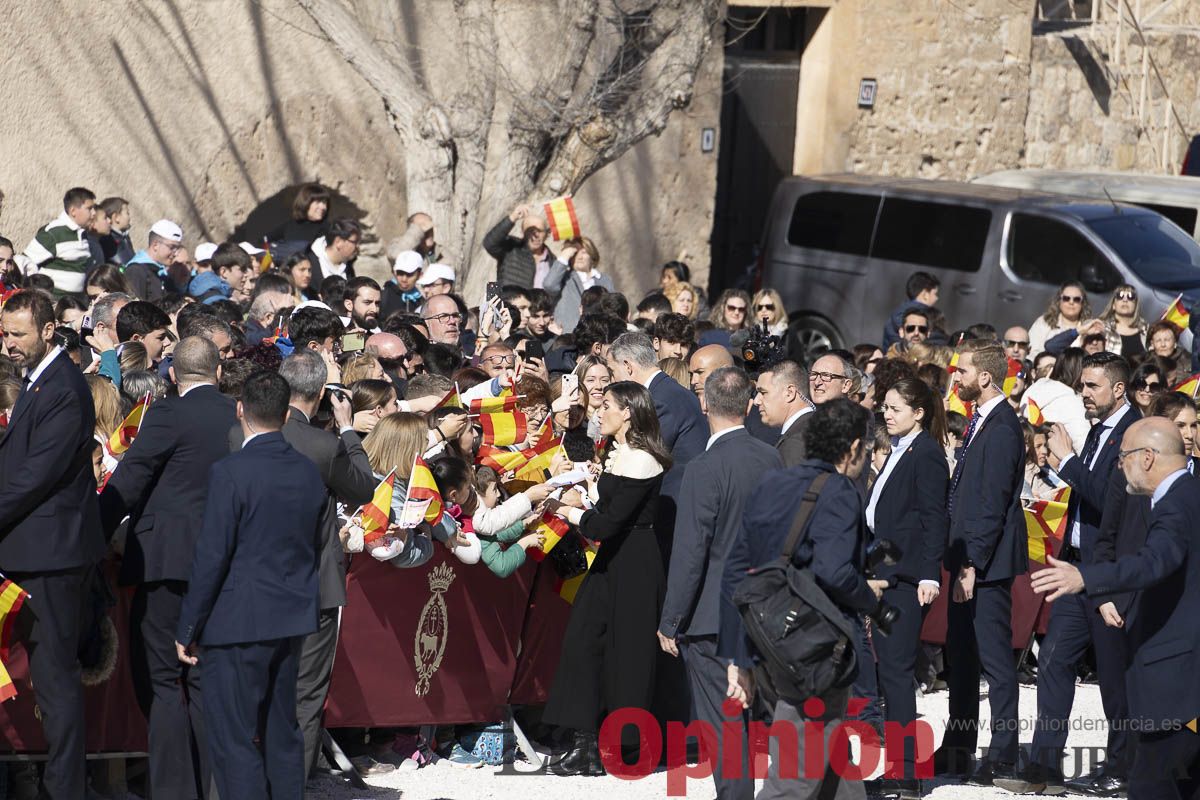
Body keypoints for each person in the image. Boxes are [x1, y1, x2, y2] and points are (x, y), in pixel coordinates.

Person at [720, 398, 883, 800]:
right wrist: (871, 597)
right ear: (854, 448)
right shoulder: (841, 491)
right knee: (794, 778)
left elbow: (736, 572)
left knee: (833, 765)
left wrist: (740, 658)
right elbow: (834, 571)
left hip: (767, 644)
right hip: (813, 651)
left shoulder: (772, 483)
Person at [1030, 418, 1200, 800]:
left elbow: (1154, 561)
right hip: (1185, 685)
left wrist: (1086, 578)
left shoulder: (1174, 507)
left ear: (1147, 458)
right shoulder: (1190, 494)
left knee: (1152, 787)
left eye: (1122, 457)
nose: (1118, 465)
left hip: (1174, 688)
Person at [176, 370, 326, 800]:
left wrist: (188, 627)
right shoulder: (306, 471)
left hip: (237, 620)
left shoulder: (230, 472)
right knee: (282, 730)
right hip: (291, 615)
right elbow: (312, 543)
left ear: (240, 410)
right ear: (284, 414)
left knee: (234, 738)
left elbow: (211, 557)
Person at [99, 337, 236, 799]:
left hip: (167, 562)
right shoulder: (238, 413)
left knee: (160, 680)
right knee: (203, 678)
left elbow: (131, 478)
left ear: (173, 375)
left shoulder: (168, 412)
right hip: (224, 563)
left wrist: (91, 535)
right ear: (218, 372)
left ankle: (175, 792)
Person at [1008, 352, 1140, 794]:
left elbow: (1110, 498)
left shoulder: (1133, 433)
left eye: (1092, 386)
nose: (1083, 393)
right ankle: (1044, 765)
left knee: (1115, 679)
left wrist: (1067, 463)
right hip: (1075, 566)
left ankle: (1122, 766)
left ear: (1118, 389)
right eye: (1082, 385)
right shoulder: (1096, 431)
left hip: (1110, 576)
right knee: (1054, 662)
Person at [657, 367, 782, 800]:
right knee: (764, 718)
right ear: (748, 404)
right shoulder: (772, 458)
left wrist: (670, 618)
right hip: (763, 610)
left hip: (712, 619)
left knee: (725, 723)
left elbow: (691, 551)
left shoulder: (704, 468)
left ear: (704, 405)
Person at [0, 290, 104, 798]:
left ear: (47, 331)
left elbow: (34, 476)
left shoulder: (63, 387)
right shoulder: (38, 381)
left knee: (56, 683)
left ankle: (65, 790)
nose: (9, 344)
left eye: (18, 334)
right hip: (27, 551)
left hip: (52, 559)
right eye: (5, 334)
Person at [542, 382, 672, 775]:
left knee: (625, 653)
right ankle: (585, 740)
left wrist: (569, 512)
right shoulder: (621, 455)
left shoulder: (643, 460)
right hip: (612, 559)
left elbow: (609, 523)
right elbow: (607, 507)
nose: (599, 411)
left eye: (607, 405)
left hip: (634, 563)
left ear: (628, 412)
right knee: (584, 641)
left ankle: (618, 744)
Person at [268, 349, 377, 779]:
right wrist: (348, 428)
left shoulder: (248, 434)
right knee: (307, 689)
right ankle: (294, 779)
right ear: (319, 394)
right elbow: (364, 488)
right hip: (313, 579)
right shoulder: (323, 444)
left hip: (261, 579)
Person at [936, 339, 1026, 782]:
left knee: (994, 662)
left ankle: (1004, 754)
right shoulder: (981, 423)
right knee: (962, 658)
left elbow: (991, 504)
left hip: (984, 568)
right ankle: (958, 746)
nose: (956, 378)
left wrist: (971, 565)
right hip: (967, 560)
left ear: (986, 377)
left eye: (963, 372)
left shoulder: (1004, 427)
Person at [865, 377, 949, 795]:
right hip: (887, 572)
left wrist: (930, 573)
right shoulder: (899, 450)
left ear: (918, 414)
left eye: (895, 408)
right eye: (885, 406)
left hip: (908, 578)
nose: (886, 413)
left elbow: (936, 517)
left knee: (897, 672)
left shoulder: (927, 454)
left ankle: (904, 773)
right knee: (891, 671)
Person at [23, 186, 96, 297]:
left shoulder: (82, 234)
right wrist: (40, 292)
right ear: (73, 211)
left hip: (74, 303)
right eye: (89, 208)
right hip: (54, 302)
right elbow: (24, 261)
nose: (94, 213)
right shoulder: (53, 233)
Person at [1021, 346, 1090, 453]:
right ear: (1081, 372)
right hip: (1060, 465)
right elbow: (1085, 450)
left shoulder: (1034, 390)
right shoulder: (1071, 402)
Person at [545, 238, 614, 333]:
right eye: (575, 253)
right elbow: (549, 285)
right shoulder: (565, 278)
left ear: (592, 255)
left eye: (584, 252)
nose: (579, 257)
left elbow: (613, 308)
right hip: (568, 336)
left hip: (598, 335)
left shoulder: (605, 280)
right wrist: (565, 255)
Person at [755, 359, 814, 466]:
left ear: (789, 393)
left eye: (763, 392)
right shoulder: (814, 427)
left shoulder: (797, 442)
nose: (756, 401)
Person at [483, 205, 556, 290]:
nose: (535, 235)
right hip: (509, 302)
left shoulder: (553, 262)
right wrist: (513, 217)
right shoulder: (511, 248)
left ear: (547, 234)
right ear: (523, 233)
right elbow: (490, 243)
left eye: (539, 231)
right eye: (530, 231)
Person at [123, 219, 184, 302]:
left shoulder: (161, 273)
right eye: (172, 247)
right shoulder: (135, 271)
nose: (175, 253)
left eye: (177, 248)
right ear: (155, 245)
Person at [1028, 281, 1092, 356]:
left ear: (1083, 303)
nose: (1071, 302)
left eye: (1077, 299)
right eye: (1066, 298)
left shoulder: (1089, 327)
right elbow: (1032, 352)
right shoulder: (1044, 322)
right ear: (1059, 301)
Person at [882, 271, 940, 351]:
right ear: (925, 294)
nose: (937, 298)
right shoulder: (921, 316)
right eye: (935, 294)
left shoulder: (898, 313)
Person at [1098, 284, 1147, 359]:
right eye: (1120, 296)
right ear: (1113, 304)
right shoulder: (1101, 328)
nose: (1125, 300)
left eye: (1130, 297)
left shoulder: (1145, 329)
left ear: (1136, 305)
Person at [380, 250, 424, 321]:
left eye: (410, 274)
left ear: (420, 275)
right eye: (400, 273)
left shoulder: (421, 300)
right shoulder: (383, 296)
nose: (404, 279)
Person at [1146, 320, 1191, 387]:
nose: (1163, 344)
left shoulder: (1189, 362)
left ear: (1175, 342)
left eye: (1167, 340)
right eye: (1158, 340)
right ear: (1152, 344)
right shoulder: (1144, 363)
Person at [98, 196, 135, 265]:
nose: (129, 217)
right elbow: (123, 265)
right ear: (116, 217)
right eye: (127, 213)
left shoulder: (124, 236)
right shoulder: (109, 240)